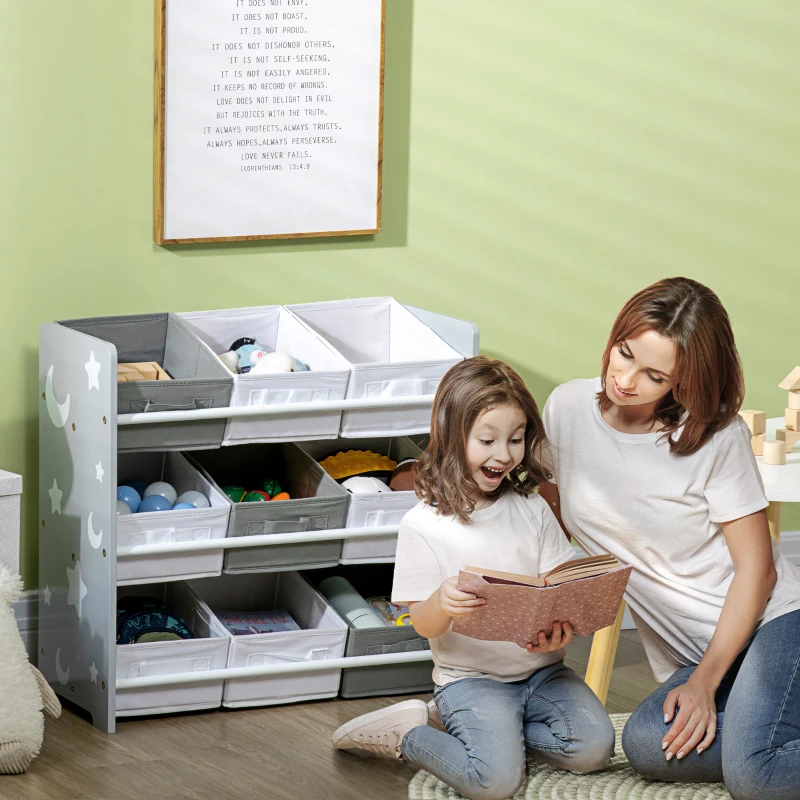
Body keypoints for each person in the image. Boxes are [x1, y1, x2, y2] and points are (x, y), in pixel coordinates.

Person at [539, 277, 800, 800]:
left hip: (775, 625)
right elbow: (547, 513)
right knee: (646, 744)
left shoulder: (712, 437)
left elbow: (758, 570)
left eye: (654, 375)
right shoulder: (567, 409)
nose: (625, 379)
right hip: (698, 651)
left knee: (755, 776)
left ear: (685, 381)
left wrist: (703, 683)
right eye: (624, 352)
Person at [331, 357, 615, 800]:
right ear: (452, 435)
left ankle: (496, 732)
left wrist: (559, 633)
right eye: (487, 440)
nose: (504, 454)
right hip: (471, 679)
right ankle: (408, 732)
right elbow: (423, 625)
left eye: (516, 439)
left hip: (542, 674)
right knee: (495, 781)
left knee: (593, 750)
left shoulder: (532, 507)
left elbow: (556, 593)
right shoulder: (423, 524)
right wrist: (442, 602)